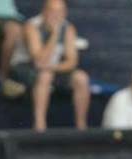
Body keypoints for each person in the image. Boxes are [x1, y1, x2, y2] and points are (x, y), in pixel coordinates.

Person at [10, 0, 89, 131]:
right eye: (52, 11)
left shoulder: (68, 28)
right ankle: (40, 126)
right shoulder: (31, 26)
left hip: (50, 68)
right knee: (45, 76)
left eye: (60, 11)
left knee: (81, 78)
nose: (56, 15)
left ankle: (81, 126)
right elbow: (39, 60)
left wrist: (52, 68)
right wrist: (54, 35)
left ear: (65, 13)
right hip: (23, 67)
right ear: (44, 12)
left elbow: (72, 62)